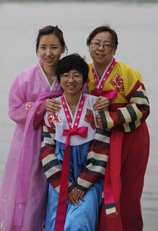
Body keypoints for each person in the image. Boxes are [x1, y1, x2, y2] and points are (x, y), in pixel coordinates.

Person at [0, 26, 70, 231]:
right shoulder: (24, 78)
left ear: (63, 48)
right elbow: (14, 109)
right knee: (29, 194)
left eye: (54, 47)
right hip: (28, 144)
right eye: (43, 47)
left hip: (60, 145)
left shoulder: (70, 78)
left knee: (54, 193)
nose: (49, 53)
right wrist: (40, 106)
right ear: (37, 49)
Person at [85, 26, 150, 231]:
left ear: (115, 49)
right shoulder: (83, 72)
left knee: (128, 191)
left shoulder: (128, 72)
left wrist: (113, 117)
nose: (101, 48)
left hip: (129, 137)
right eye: (96, 43)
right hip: (96, 138)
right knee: (96, 187)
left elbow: (142, 106)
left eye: (107, 45)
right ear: (89, 45)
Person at [41, 53, 111, 231]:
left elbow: (102, 149)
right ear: (59, 78)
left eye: (76, 75)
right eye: (65, 75)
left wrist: (81, 184)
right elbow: (47, 152)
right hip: (59, 178)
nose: (70, 80)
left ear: (84, 79)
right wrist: (66, 186)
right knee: (57, 223)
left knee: (78, 223)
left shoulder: (96, 106)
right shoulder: (52, 108)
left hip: (89, 177)